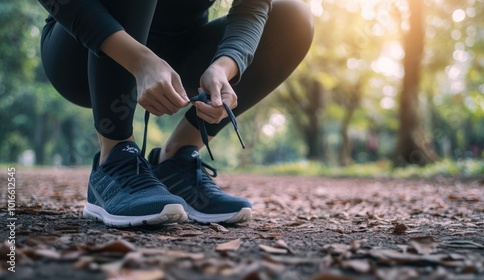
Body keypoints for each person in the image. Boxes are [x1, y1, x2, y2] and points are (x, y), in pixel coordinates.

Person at [38, 0, 313, 227]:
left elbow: (253, 7)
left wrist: (223, 67)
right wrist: (139, 60)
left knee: (293, 18)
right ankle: (114, 157)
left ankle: (176, 162)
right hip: (85, 43)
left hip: (178, 48)